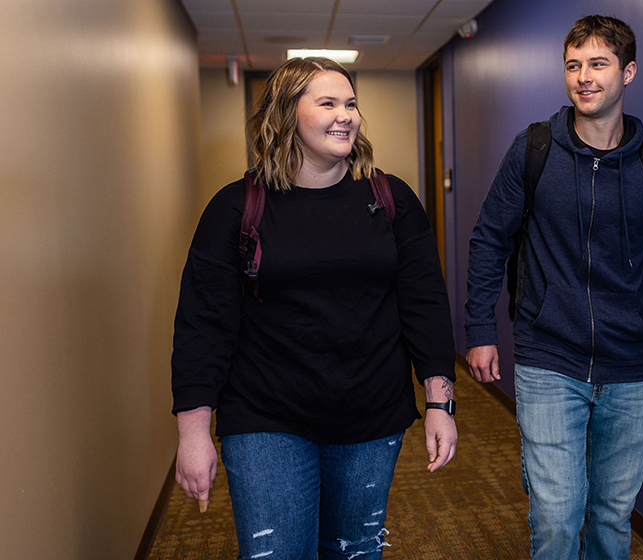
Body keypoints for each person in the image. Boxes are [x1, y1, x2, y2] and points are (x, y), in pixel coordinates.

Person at [465, 15, 643, 560]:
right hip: (548, 356)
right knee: (558, 517)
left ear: (628, 72)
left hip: (631, 365)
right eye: (573, 65)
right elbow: (488, 240)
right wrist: (479, 329)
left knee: (612, 521)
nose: (583, 77)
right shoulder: (534, 150)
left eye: (597, 63)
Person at [171, 56, 457, 560]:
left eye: (351, 103)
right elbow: (203, 325)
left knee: (353, 551)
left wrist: (440, 403)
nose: (345, 114)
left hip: (370, 416)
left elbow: (425, 305)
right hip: (266, 417)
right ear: (287, 114)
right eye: (327, 103)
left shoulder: (391, 200)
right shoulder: (236, 208)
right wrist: (193, 434)